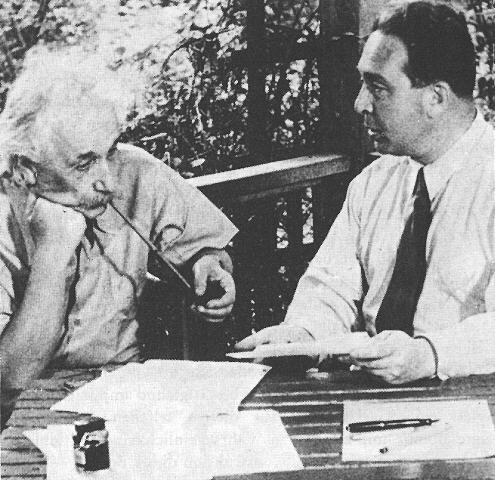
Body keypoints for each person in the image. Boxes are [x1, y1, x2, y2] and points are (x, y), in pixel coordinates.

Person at [236, 0, 495, 384]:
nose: (360, 103)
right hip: (371, 395)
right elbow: (330, 288)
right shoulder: (374, 182)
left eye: (378, 87)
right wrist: (303, 334)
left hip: (470, 399)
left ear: (436, 98)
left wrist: (429, 355)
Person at [0, 48, 237, 426]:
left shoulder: (137, 171)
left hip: (123, 400)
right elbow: (9, 379)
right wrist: (52, 253)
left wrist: (208, 262)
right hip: (19, 419)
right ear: (26, 170)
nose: (108, 181)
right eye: (84, 163)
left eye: (109, 151)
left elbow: (208, 249)